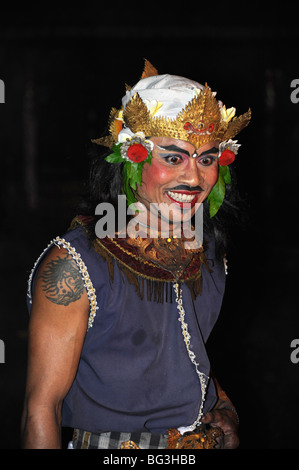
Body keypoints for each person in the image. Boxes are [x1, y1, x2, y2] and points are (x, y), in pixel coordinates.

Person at [21, 60, 251, 449]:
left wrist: (223, 405)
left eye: (208, 159)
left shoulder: (209, 252)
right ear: (133, 157)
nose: (195, 178)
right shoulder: (75, 265)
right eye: (174, 157)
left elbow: (185, 351)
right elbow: (41, 408)